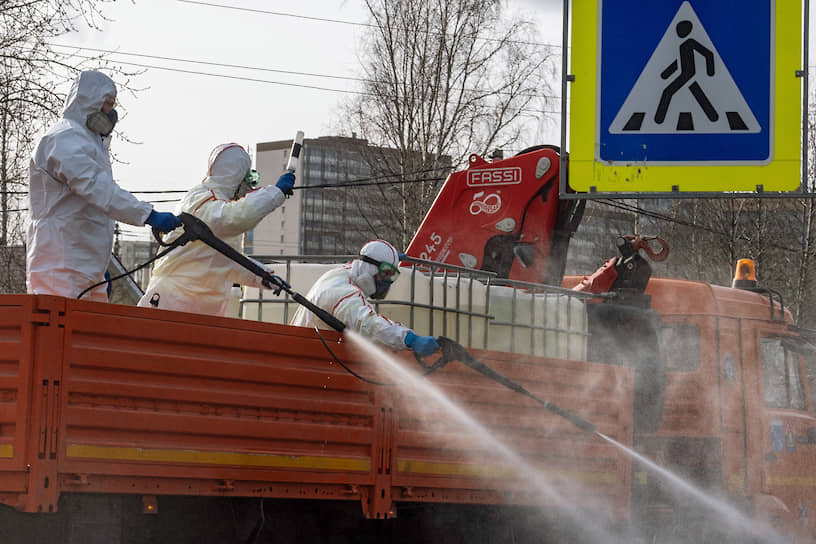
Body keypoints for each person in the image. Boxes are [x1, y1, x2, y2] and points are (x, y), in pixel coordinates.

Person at [27, 70, 181, 301]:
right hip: (60, 266)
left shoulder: (87, 142)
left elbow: (92, 210)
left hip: (84, 268)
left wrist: (99, 265)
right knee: (61, 333)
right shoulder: (63, 138)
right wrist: (147, 214)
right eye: (108, 104)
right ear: (90, 101)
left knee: (89, 336)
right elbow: (97, 189)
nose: (112, 112)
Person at [137, 143, 295, 316]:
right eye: (246, 177)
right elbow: (235, 217)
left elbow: (227, 261)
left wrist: (263, 276)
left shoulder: (219, 208)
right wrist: (275, 193)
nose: (249, 185)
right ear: (235, 176)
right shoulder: (201, 199)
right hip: (172, 301)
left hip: (201, 310)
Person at [290, 239, 440, 357]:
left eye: (393, 274)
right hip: (312, 357)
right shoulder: (343, 294)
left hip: (314, 351)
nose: (388, 281)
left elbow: (368, 259)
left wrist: (391, 257)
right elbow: (368, 324)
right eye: (386, 272)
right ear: (369, 267)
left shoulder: (341, 274)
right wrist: (409, 339)